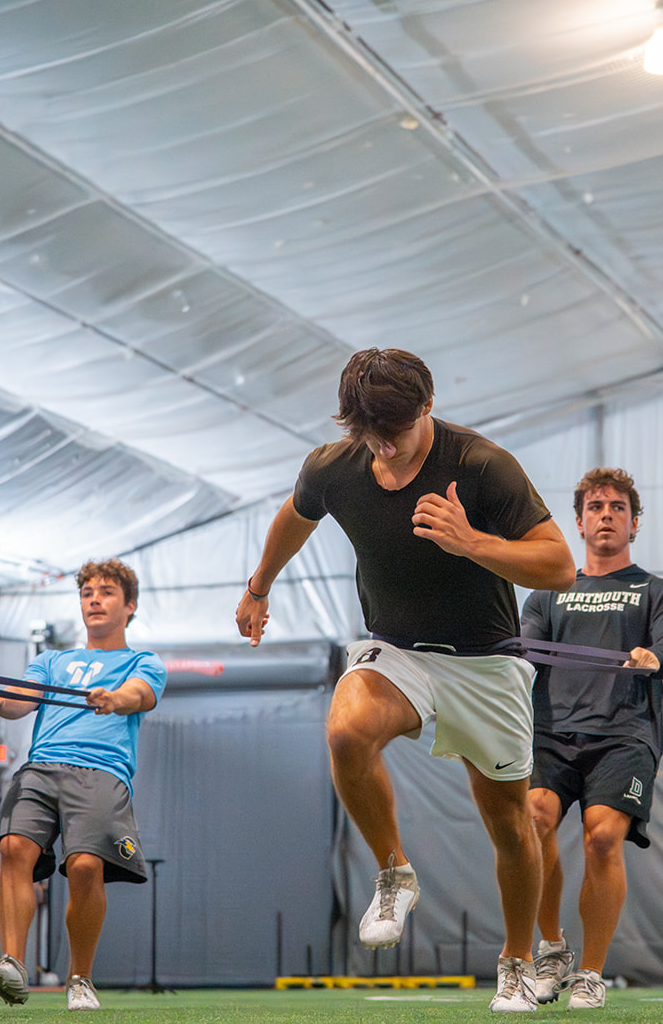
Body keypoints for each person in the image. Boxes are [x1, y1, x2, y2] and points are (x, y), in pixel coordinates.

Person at [235, 348, 575, 1012]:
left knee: (512, 826)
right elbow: (294, 517)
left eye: (396, 431)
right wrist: (258, 587)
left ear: (428, 406)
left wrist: (472, 542)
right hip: (397, 652)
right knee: (347, 732)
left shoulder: (482, 464)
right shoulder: (333, 468)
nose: (385, 448)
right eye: (371, 435)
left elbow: (559, 566)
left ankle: (516, 961)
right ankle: (395, 872)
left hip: (486, 661)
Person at [520, 468, 663, 1009]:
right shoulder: (547, 595)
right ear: (578, 523)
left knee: (601, 837)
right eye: (595, 507)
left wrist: (653, 656)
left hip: (624, 735)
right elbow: (524, 652)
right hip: (551, 732)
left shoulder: (659, 592)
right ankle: (552, 949)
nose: (607, 516)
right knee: (534, 820)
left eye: (618, 508)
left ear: (634, 523)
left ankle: (591, 973)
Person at [0, 558, 165, 1012]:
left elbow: (140, 695)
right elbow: (24, 699)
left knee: (84, 867)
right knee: (13, 847)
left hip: (102, 770)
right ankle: (12, 964)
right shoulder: (51, 660)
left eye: (107, 592)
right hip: (41, 767)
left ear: (130, 605)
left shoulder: (142, 661)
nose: (94, 599)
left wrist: (114, 699)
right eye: (87, 593)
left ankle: (80, 979)